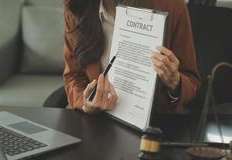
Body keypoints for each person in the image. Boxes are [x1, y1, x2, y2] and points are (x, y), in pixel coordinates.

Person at [63, 0, 200, 114]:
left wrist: (175, 82)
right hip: (98, 122)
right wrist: (86, 103)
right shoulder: (77, 7)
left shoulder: (172, 5)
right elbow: (73, 76)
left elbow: (191, 81)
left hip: (155, 127)